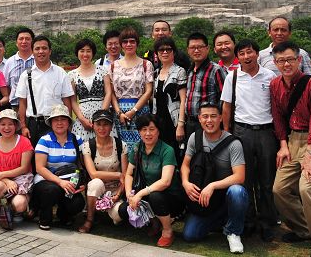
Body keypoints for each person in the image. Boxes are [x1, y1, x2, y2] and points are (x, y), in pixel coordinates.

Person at [270, 42, 311, 257]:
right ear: (275, 63)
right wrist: (283, 144)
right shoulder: (275, 85)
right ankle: (304, 229)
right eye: (281, 61)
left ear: (299, 60)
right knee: (279, 190)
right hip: (293, 138)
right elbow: (278, 117)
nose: (286, 64)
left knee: (308, 189)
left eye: (290, 59)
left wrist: (310, 155)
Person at [221, 39, 278, 241]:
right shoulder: (233, 76)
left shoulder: (270, 76)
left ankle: (267, 222)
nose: (247, 56)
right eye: (242, 53)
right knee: (245, 179)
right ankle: (248, 221)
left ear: (257, 54)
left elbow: (276, 105)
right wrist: (226, 133)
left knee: (267, 180)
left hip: (266, 132)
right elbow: (227, 106)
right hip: (242, 132)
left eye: (250, 52)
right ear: (238, 57)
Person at [181, 103, 248, 254]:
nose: (209, 120)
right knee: (190, 235)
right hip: (204, 200)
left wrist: (213, 186)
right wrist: (185, 183)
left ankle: (233, 232)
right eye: (205, 116)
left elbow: (240, 176)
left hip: (225, 196)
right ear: (199, 119)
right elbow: (185, 165)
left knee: (237, 191)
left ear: (221, 118)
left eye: (213, 116)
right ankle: (221, 221)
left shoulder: (233, 143)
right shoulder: (195, 137)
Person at [118, 114, 186, 247]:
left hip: (170, 197)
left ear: (158, 131)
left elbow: (165, 182)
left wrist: (140, 194)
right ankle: (155, 222)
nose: (148, 133)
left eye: (152, 129)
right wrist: (129, 194)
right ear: (139, 132)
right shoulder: (137, 148)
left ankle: (167, 230)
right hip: (146, 193)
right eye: (144, 129)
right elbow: (129, 174)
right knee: (123, 210)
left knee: (155, 197)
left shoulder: (167, 150)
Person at [32, 104, 85, 230]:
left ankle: (64, 216)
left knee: (78, 203)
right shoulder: (44, 140)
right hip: (46, 179)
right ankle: (44, 218)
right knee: (52, 190)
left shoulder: (77, 140)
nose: (59, 123)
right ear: (51, 123)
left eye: (63, 119)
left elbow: (81, 165)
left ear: (68, 122)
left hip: (69, 180)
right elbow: (40, 168)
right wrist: (60, 182)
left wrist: (82, 183)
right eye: (56, 120)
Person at [17, 35, 73, 146]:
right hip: (34, 124)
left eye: (44, 48)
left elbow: (67, 101)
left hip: (56, 123)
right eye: (37, 49)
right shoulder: (26, 75)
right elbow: (22, 103)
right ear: (32, 52)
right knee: (35, 155)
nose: (41, 51)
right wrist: (23, 127)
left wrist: (68, 124)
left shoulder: (60, 72)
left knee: (56, 154)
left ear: (50, 51)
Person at [79, 109, 128, 233]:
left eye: (106, 124)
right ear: (93, 126)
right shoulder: (88, 146)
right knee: (95, 183)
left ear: (111, 126)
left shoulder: (121, 145)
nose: (102, 128)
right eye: (98, 124)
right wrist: (117, 175)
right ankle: (90, 219)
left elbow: (126, 175)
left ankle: (107, 212)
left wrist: (117, 196)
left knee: (118, 215)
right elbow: (93, 174)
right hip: (98, 189)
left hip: (115, 190)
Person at [0, 109, 34, 227]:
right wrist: (7, 181)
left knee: (19, 204)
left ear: (16, 125)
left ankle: (12, 212)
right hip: (1, 180)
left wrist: (2, 174)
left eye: (10, 124)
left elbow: (24, 168)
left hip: (21, 179)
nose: (6, 128)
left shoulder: (24, 142)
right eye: (3, 124)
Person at [109, 27, 154, 150]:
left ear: (137, 43)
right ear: (121, 44)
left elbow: (148, 91)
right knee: (122, 149)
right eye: (125, 42)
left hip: (141, 112)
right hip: (120, 115)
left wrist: (133, 110)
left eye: (132, 41)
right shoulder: (113, 66)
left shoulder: (146, 64)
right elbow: (111, 92)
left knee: (142, 147)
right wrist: (119, 113)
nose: (129, 44)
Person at [184, 32, 227, 140]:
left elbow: (225, 100)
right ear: (188, 50)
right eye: (193, 48)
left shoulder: (216, 70)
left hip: (209, 123)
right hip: (190, 122)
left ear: (207, 49)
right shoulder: (190, 71)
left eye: (200, 47)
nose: (196, 50)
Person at [68, 38, 112, 142]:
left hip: (102, 114)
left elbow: (108, 92)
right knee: (83, 147)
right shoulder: (72, 74)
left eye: (88, 51)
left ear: (93, 53)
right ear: (77, 53)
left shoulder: (103, 70)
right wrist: (82, 119)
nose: (85, 54)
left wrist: (101, 115)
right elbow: (73, 100)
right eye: (82, 51)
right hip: (83, 117)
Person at [152, 37, 187, 162]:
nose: (165, 52)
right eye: (161, 50)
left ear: (174, 52)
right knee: (161, 155)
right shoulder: (156, 73)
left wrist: (181, 124)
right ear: (157, 53)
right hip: (158, 121)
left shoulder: (180, 71)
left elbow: (183, 99)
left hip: (174, 121)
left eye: (168, 49)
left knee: (175, 154)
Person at [2, 27, 35, 110]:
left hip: (36, 105)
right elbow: (6, 86)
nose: (24, 41)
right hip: (15, 106)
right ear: (16, 43)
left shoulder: (38, 60)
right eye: (21, 39)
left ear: (33, 42)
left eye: (27, 39)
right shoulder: (9, 62)